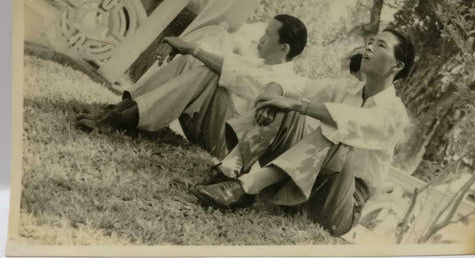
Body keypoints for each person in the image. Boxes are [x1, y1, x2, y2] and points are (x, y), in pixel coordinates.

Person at [192, 29, 415, 236]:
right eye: (370, 42)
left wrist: (298, 105)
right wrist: (276, 92)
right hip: (304, 184)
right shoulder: (345, 88)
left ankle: (246, 187)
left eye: (381, 45)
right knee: (282, 104)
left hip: (340, 204)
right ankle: (229, 172)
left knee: (338, 129)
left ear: (397, 65)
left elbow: (355, 121)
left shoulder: (395, 113)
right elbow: (297, 84)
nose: (369, 48)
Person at [76, 15, 308, 159]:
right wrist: (185, 47)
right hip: (214, 128)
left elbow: (238, 73)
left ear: (284, 48)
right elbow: (221, 56)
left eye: (267, 35)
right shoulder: (258, 63)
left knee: (209, 70)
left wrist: (192, 49)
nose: (260, 39)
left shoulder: (288, 81)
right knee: (194, 61)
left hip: (229, 146)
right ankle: (125, 108)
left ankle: (126, 119)